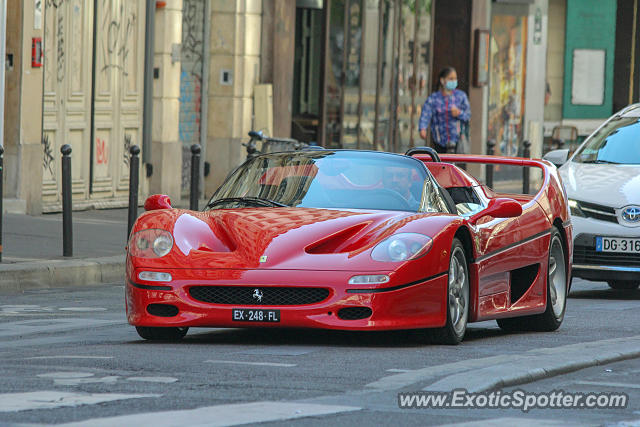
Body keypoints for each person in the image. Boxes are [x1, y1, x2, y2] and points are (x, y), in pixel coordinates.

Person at [418, 67, 471, 153]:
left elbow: (468, 116)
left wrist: (459, 113)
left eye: (455, 79)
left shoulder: (461, 96)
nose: (454, 81)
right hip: (439, 140)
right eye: (451, 79)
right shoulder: (434, 98)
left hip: (457, 141)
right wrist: (422, 128)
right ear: (442, 80)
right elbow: (426, 114)